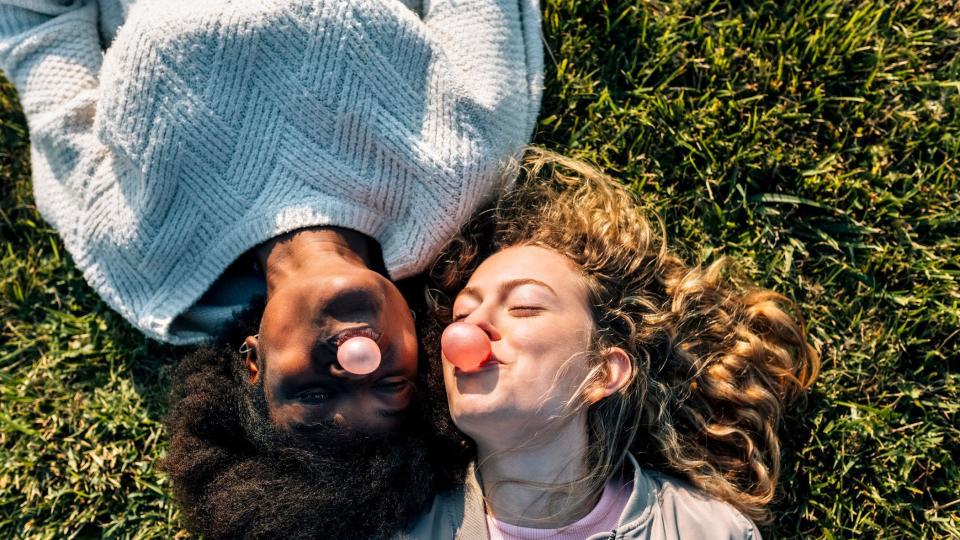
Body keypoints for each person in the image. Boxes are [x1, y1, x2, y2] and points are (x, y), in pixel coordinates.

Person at [0, 0, 542, 537]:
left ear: (254, 364)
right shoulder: (462, 174)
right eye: (391, 384)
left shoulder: (139, 256)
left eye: (312, 396)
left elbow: (37, 35)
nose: (359, 361)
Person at [404, 148, 820, 539]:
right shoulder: (401, 528)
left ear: (602, 372)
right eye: (461, 314)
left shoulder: (706, 530)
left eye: (525, 306)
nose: (472, 327)